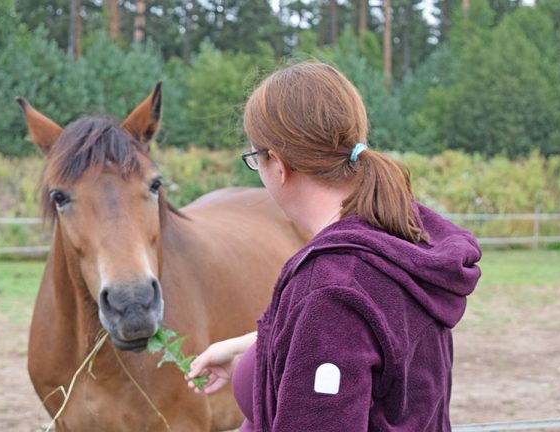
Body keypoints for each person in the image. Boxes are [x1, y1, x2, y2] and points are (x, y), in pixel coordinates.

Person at [185, 61, 482, 431]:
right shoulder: (399, 240)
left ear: (276, 164)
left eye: (254, 159)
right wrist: (253, 348)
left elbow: (338, 325)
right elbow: (370, 338)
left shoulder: (332, 286)